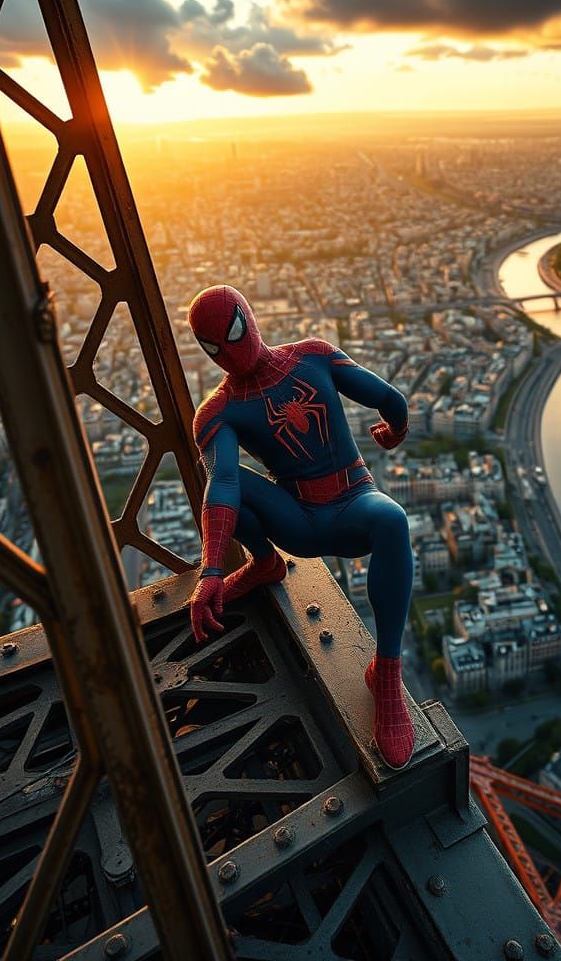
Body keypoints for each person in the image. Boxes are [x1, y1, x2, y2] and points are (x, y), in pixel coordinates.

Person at [187, 285, 415, 769]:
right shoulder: (306, 360)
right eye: (215, 347)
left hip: (330, 508)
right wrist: (395, 430)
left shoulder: (234, 401)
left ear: (249, 319)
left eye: (232, 334)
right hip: (313, 514)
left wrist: (211, 570)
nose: (229, 351)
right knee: (227, 481)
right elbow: (388, 399)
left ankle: (386, 670)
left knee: (392, 519)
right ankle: (265, 563)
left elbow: (387, 397)